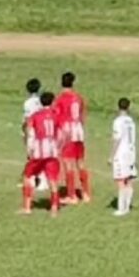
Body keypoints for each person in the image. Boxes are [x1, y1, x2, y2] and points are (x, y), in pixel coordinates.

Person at [21, 92, 62, 217]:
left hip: (39, 150)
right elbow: (61, 133)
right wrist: (58, 147)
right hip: (52, 150)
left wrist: (29, 148)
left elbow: (29, 132)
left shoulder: (35, 116)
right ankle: (54, 208)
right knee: (52, 180)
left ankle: (27, 207)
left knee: (27, 176)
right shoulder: (56, 115)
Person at [54, 72, 90, 204]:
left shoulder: (60, 99)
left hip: (67, 132)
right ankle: (86, 193)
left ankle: (71, 195)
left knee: (68, 163)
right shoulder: (78, 97)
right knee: (80, 162)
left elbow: (57, 117)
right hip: (78, 131)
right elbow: (83, 115)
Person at [110, 98, 138, 217]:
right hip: (131, 151)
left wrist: (111, 155)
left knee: (121, 180)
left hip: (121, 153)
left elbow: (117, 139)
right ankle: (127, 205)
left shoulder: (118, 121)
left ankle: (122, 208)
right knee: (130, 179)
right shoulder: (131, 121)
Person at [20, 78, 46, 191]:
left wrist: (24, 131)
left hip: (33, 130)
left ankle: (38, 180)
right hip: (43, 130)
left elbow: (27, 119)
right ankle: (36, 179)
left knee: (32, 155)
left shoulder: (28, 103)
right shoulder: (42, 100)